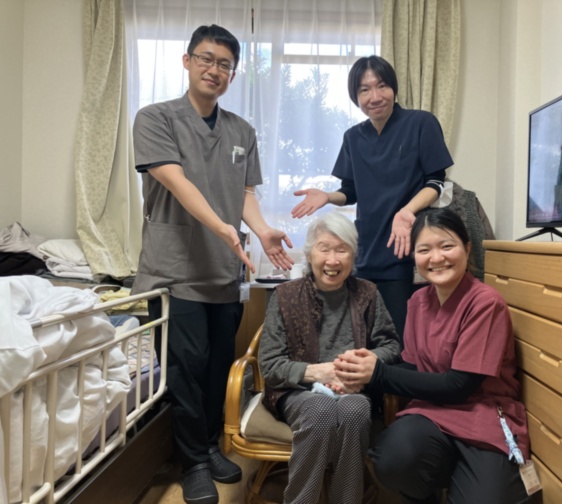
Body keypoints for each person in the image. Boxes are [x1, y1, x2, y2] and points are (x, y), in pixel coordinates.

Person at [131, 25, 293, 504]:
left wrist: (260, 229)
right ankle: (193, 464)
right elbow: (177, 181)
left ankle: (207, 447)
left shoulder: (242, 131)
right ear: (187, 61)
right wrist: (222, 227)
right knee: (185, 370)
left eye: (224, 64)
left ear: (233, 74)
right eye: (206, 59)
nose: (214, 70)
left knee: (217, 368)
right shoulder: (155, 118)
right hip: (173, 272)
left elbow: (245, 194)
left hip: (224, 273)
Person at [334, 207, 533, 504]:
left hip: (483, 416)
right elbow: (414, 367)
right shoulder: (418, 301)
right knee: (393, 459)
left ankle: (465, 477)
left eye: (447, 246)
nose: (436, 258)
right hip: (432, 413)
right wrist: (360, 374)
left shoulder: (485, 303)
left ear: (467, 248)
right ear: (414, 256)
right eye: (424, 250)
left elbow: (459, 385)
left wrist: (377, 373)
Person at [291, 55, 454, 344]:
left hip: (405, 251)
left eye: (382, 86)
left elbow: (436, 182)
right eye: (364, 90)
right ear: (356, 97)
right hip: (366, 254)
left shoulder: (420, 123)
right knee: (363, 340)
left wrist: (407, 211)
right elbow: (350, 191)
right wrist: (328, 196)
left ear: (393, 88)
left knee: (401, 342)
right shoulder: (353, 137)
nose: (375, 97)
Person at [259, 212, 400, 504]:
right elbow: (270, 366)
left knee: (355, 411)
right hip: (296, 391)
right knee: (320, 410)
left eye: (342, 250)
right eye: (324, 249)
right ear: (310, 254)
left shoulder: (368, 293)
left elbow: (390, 345)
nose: (333, 260)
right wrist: (319, 372)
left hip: (354, 390)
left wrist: (360, 368)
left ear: (353, 255)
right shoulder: (285, 296)